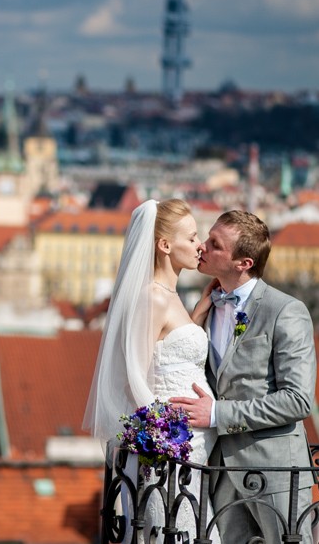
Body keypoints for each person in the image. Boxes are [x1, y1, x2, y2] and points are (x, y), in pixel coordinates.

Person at [169, 210, 317, 544]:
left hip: (276, 471)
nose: (201, 247)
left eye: (214, 244)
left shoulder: (285, 311)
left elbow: (298, 399)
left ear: (243, 263)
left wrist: (218, 414)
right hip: (220, 472)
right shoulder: (206, 304)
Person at [82, 198, 219, 543]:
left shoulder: (172, 297)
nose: (199, 244)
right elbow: (134, 372)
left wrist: (198, 315)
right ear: (164, 245)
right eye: (191, 238)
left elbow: (172, 351)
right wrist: (162, 432)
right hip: (173, 447)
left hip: (194, 444)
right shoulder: (153, 298)